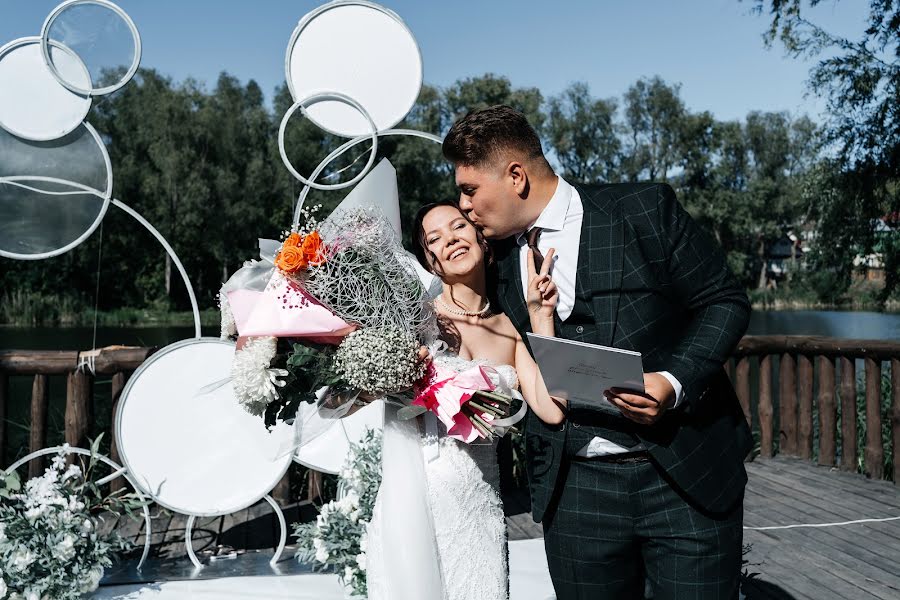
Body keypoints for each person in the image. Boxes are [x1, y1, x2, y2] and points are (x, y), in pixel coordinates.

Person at [441, 104, 752, 599]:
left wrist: (671, 383)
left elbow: (724, 302)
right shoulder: (492, 261)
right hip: (576, 491)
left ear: (516, 176)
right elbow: (450, 306)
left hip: (682, 475)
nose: (464, 205)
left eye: (470, 189)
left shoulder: (643, 210)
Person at [364, 199, 566, 600]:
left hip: (480, 506)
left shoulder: (509, 325)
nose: (450, 240)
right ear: (431, 261)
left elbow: (551, 408)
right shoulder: (414, 320)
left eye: (458, 227)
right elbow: (362, 391)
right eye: (434, 239)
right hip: (415, 496)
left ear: (481, 239)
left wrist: (542, 318)